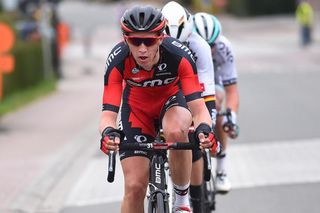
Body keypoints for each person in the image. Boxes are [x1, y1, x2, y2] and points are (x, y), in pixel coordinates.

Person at [99, 5, 219, 213]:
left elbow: (199, 110)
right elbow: (108, 115)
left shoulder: (179, 54)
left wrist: (204, 130)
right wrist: (109, 134)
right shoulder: (117, 59)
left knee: (175, 130)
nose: (142, 49)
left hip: (172, 102)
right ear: (126, 39)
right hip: (136, 111)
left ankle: (182, 202)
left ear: (161, 38)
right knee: (134, 188)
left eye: (149, 40)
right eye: (136, 41)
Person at [161, 1, 217, 212]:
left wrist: (205, 128)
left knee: (192, 137)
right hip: (163, 91)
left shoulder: (199, 46)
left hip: (190, 91)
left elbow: (207, 94)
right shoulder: (151, 45)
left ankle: (196, 200)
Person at [194, 12, 240, 193]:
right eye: (204, 45)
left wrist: (231, 118)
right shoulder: (186, 44)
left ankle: (221, 170)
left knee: (218, 105)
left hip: (215, 80)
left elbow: (232, 91)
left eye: (211, 45)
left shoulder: (224, 47)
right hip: (193, 79)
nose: (208, 49)